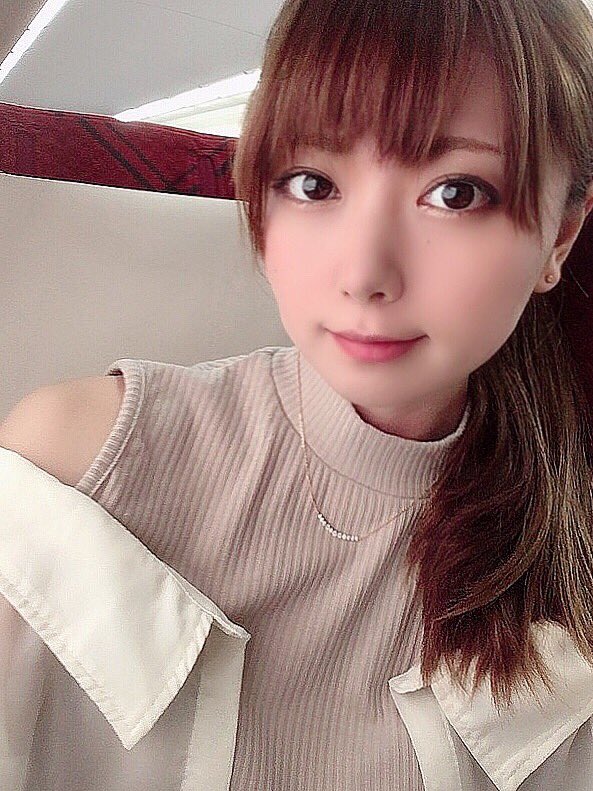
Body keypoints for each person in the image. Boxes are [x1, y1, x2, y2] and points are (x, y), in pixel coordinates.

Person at [2, 0, 593, 788]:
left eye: (456, 193)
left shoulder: (565, 554)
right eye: (312, 183)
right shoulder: (77, 467)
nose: (363, 273)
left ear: (560, 234)